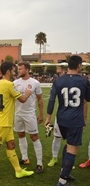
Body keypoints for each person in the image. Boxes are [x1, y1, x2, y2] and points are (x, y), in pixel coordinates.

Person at [46, 55, 90, 186]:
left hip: (61, 118)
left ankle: (65, 170)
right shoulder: (83, 80)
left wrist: (48, 116)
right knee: (72, 148)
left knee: (68, 144)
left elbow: (52, 99)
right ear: (79, 66)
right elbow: (87, 98)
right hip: (75, 119)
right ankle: (62, 180)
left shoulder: (58, 80)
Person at [13, 61, 44, 174]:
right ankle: (25, 158)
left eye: (20, 69)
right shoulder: (15, 83)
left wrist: (41, 115)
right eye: (18, 69)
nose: (18, 71)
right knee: (20, 134)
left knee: (34, 137)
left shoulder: (35, 83)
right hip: (17, 114)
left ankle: (40, 163)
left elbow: (40, 99)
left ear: (27, 69)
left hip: (30, 114)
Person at [46, 65, 67, 167]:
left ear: (64, 70)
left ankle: (68, 161)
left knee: (70, 140)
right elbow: (52, 99)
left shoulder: (77, 81)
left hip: (71, 115)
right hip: (62, 114)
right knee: (57, 137)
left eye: (59, 69)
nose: (57, 71)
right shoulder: (58, 82)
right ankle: (54, 158)